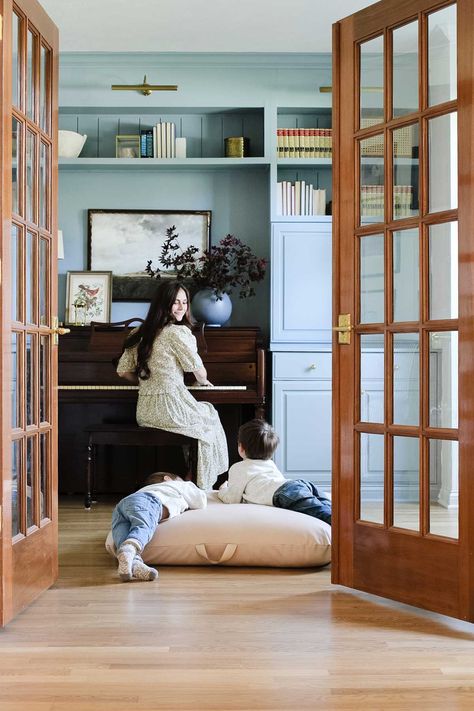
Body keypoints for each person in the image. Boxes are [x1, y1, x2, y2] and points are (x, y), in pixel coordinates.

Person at [116, 279, 229, 490]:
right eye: (175, 302)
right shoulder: (178, 333)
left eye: (184, 302)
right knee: (209, 416)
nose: (181, 307)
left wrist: (145, 382)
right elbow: (199, 372)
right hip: (171, 406)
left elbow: (123, 371)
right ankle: (200, 483)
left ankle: (190, 476)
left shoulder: (138, 333)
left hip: (146, 411)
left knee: (200, 421)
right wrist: (202, 381)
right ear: (163, 304)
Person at [218, 419, 331, 525]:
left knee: (322, 513)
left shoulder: (238, 467)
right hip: (297, 484)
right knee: (328, 506)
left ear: (241, 447)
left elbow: (232, 498)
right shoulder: (270, 463)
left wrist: (223, 490)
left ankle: (345, 529)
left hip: (283, 493)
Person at [112, 471, 207, 582]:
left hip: (122, 505)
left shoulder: (151, 488)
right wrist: (189, 484)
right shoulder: (176, 485)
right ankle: (130, 548)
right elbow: (200, 501)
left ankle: (135, 564)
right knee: (144, 526)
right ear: (167, 478)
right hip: (148, 501)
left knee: (123, 534)